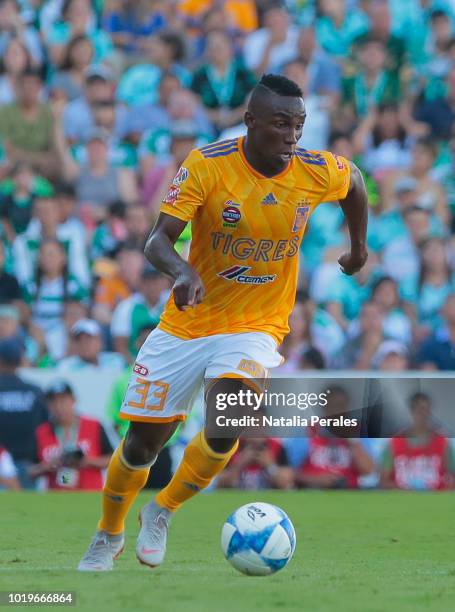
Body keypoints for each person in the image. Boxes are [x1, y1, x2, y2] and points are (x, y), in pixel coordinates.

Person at [77, 73, 369, 572]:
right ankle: (108, 533)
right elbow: (156, 240)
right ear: (250, 122)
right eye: (282, 124)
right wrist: (183, 270)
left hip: (257, 325)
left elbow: (356, 183)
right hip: (188, 324)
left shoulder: (314, 169)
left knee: (227, 420)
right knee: (143, 442)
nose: (293, 137)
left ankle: (163, 509)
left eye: (300, 125)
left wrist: (359, 248)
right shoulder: (208, 166)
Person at [29, 381, 114, 491]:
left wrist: (86, 461)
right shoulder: (42, 431)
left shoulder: (94, 425)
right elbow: (30, 470)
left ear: (73, 400)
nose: (58, 406)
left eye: (63, 400)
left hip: (90, 495)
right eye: (53, 402)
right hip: (56, 498)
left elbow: (112, 460)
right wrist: (48, 466)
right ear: (47, 405)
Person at [380, 392, 455, 490]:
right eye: (418, 410)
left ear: (430, 412)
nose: (422, 414)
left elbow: (453, 478)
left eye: (425, 410)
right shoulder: (394, 443)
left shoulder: (442, 442)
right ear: (411, 412)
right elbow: (384, 481)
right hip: (401, 500)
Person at [0, 337, 47, 488]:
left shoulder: (35, 391)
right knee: (26, 510)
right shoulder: (34, 391)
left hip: (3, 464)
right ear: (20, 360)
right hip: (28, 464)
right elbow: (45, 425)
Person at [217, 438, 293, 490]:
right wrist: (239, 465)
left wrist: (270, 466)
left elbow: (285, 484)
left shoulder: (276, 446)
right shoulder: (232, 446)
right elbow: (219, 483)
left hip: (269, 501)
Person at [56, 318, 126, 372]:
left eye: (89, 338)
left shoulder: (116, 361)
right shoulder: (65, 367)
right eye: (79, 340)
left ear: (99, 341)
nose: (84, 343)